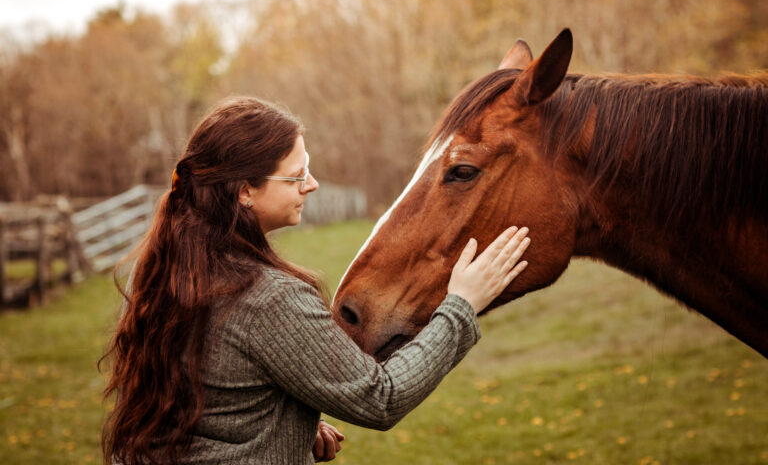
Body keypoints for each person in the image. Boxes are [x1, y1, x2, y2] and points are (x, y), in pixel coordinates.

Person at [101, 96, 531, 464]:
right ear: (244, 192)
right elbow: (381, 397)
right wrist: (461, 305)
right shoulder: (268, 299)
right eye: (295, 176)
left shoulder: (158, 268)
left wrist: (287, 422)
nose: (312, 183)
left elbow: (204, 391)